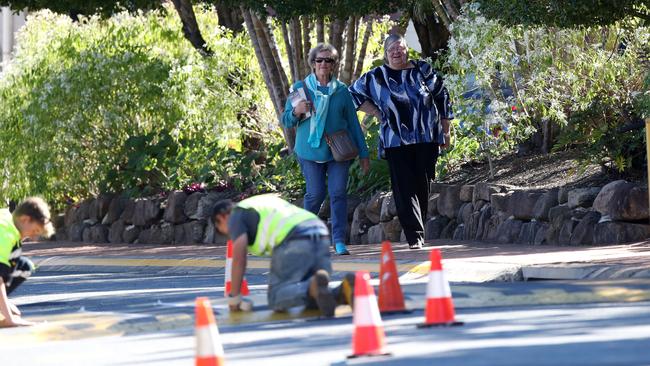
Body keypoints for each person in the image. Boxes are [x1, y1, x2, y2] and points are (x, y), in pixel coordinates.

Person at [349, 34, 454, 250]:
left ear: (407, 50)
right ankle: (414, 235)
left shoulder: (423, 70)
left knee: (422, 183)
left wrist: (446, 130)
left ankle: (419, 228)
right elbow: (352, 95)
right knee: (404, 187)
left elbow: (442, 96)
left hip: (426, 137)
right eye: (392, 50)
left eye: (401, 48)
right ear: (386, 54)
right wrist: (377, 112)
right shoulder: (377, 76)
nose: (397, 53)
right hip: (395, 140)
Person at [281, 43, 370, 256]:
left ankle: (338, 240)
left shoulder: (341, 91)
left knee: (338, 193)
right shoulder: (300, 88)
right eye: (319, 60)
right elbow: (285, 120)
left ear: (333, 65)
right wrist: (296, 111)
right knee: (315, 194)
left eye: (328, 60)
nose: (323, 64)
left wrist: (364, 153)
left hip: (338, 151)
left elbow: (353, 124)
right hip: (309, 152)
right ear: (313, 64)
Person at [212, 194, 354, 317]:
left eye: (223, 231)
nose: (229, 235)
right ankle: (344, 290)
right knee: (314, 299)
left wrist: (234, 297)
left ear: (222, 217)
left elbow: (239, 259)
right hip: (319, 231)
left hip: (292, 237)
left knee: (277, 297)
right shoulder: (259, 204)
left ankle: (313, 286)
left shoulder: (236, 214)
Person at [0, 197, 54, 327]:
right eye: (34, 231)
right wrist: (9, 318)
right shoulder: (6, 235)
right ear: (24, 219)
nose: (34, 237)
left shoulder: (7, 217)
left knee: (24, 266)